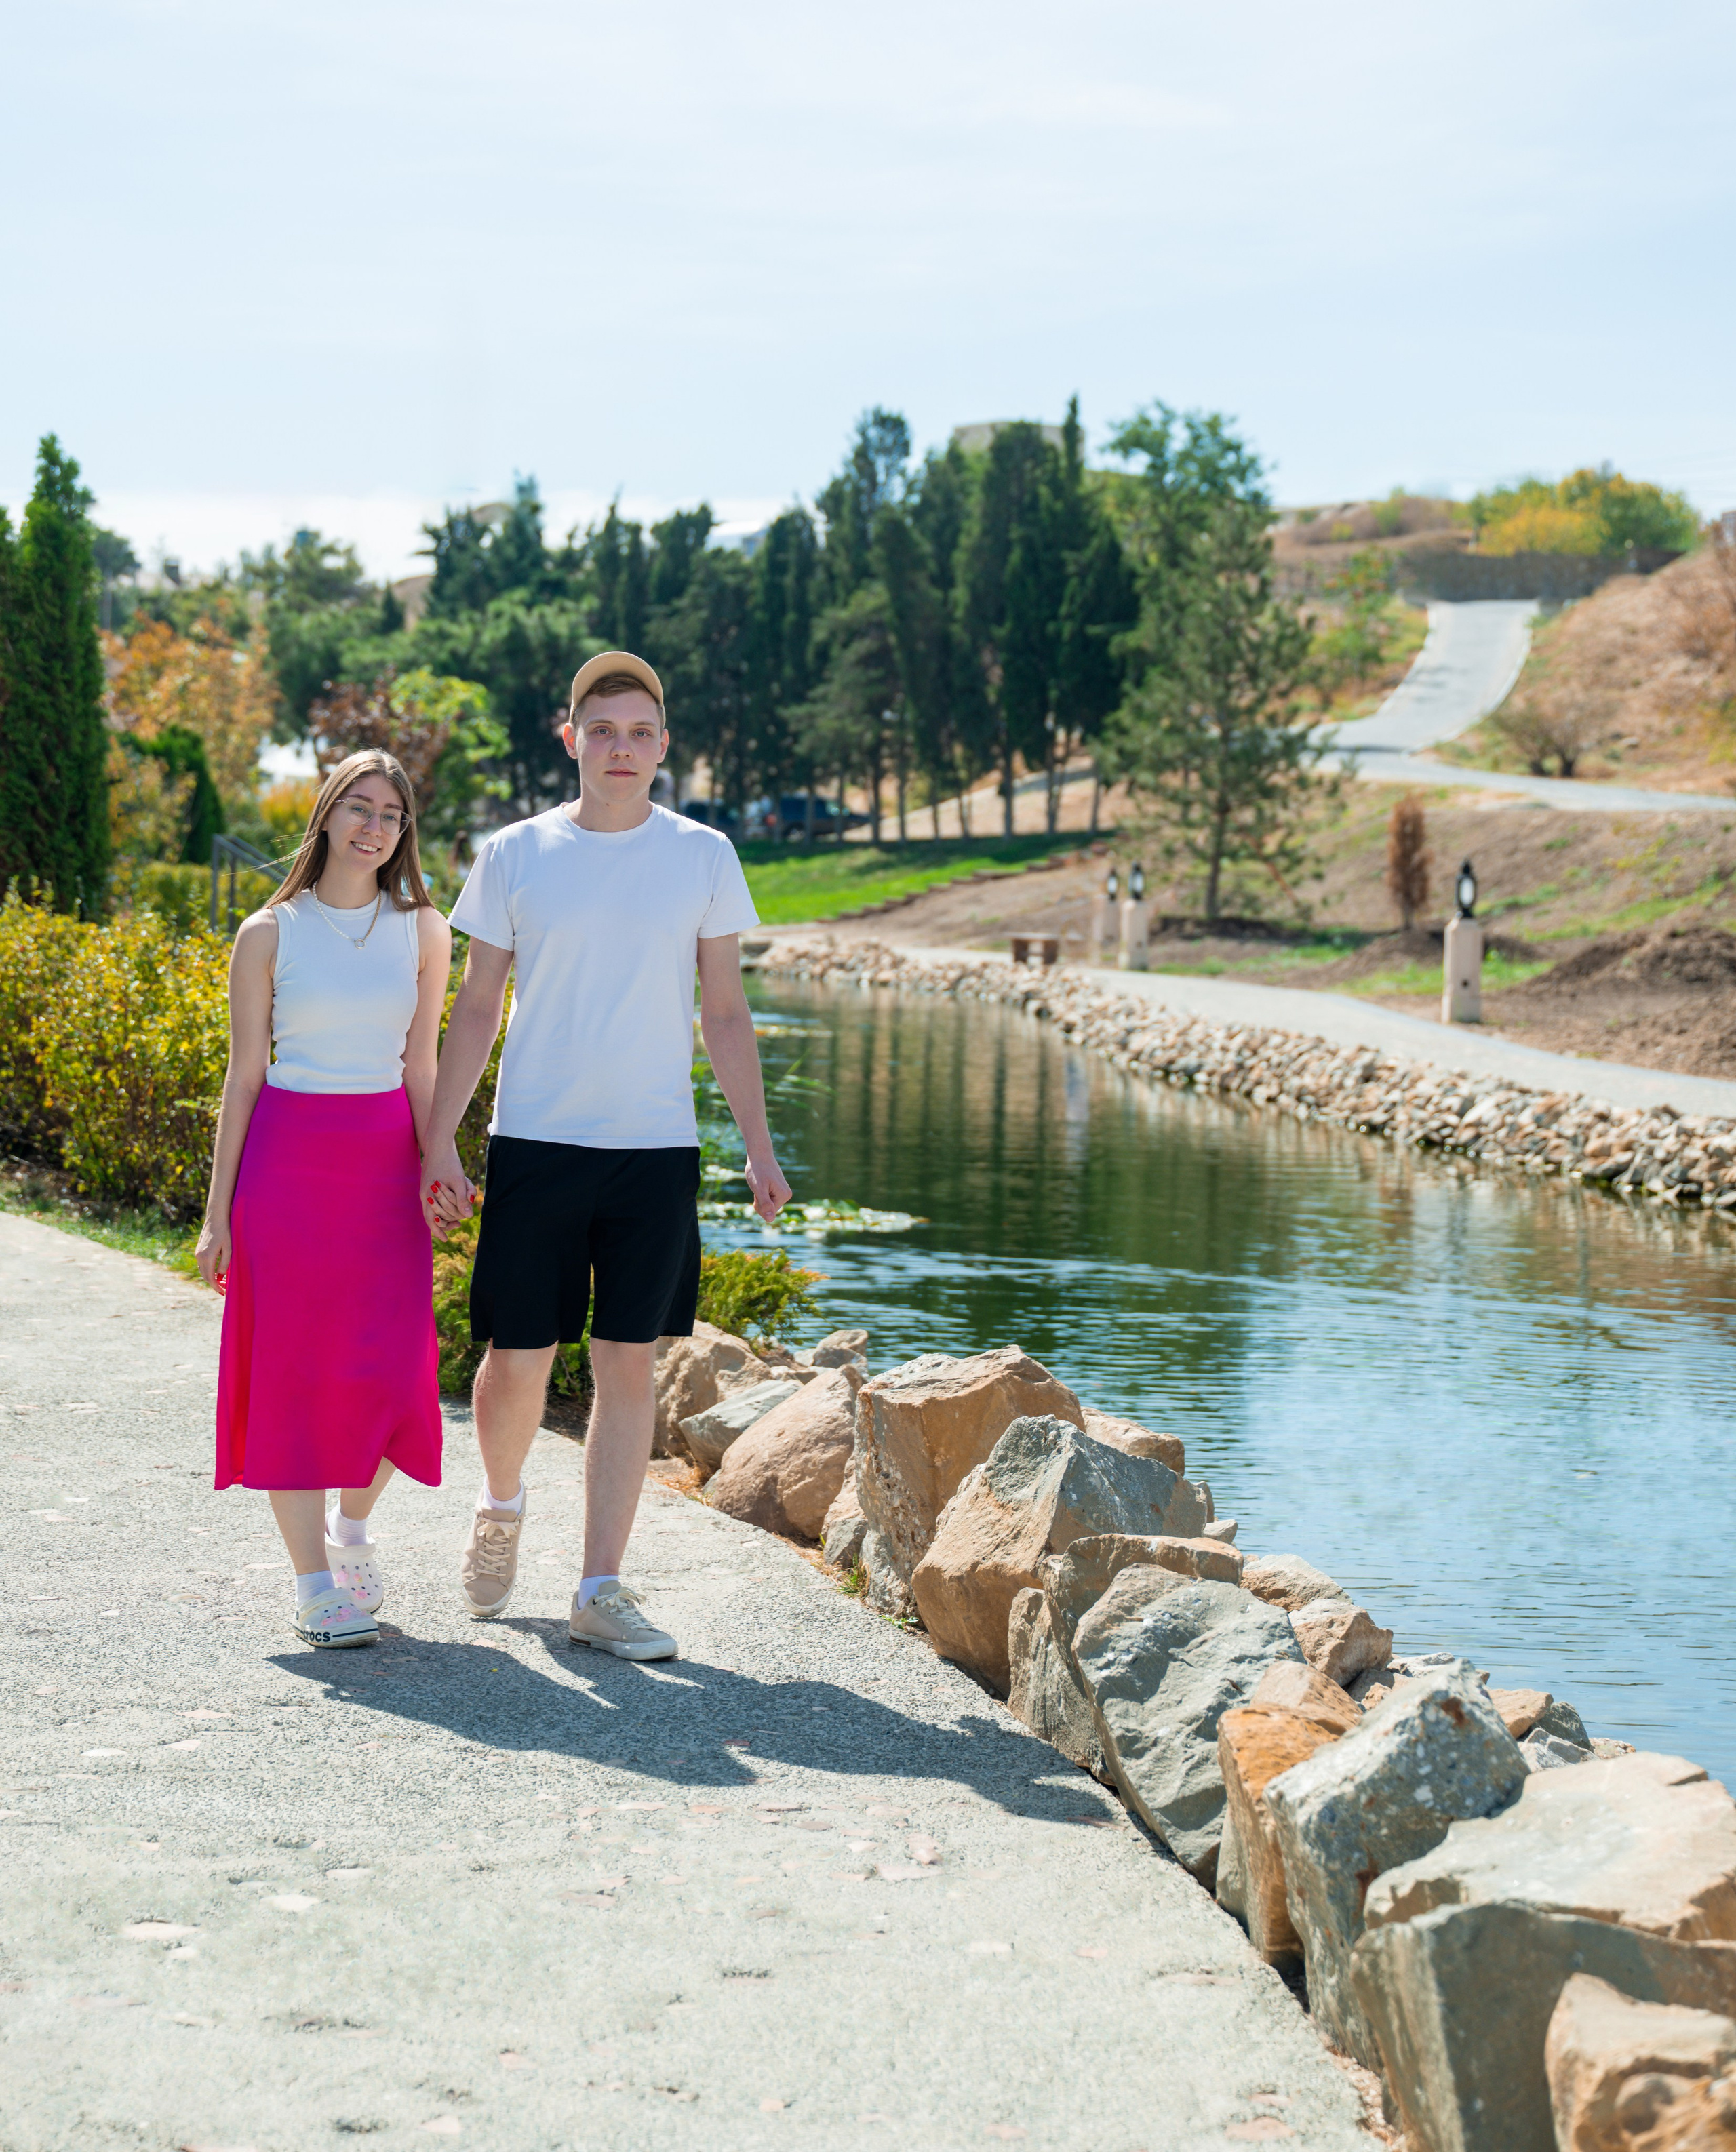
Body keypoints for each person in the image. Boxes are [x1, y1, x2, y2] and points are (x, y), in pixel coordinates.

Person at [420, 650, 789, 1661]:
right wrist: (440, 1138)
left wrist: (758, 1147)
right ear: (570, 738)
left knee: (630, 1364)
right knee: (516, 1358)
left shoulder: (704, 855)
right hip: (536, 1141)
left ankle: (599, 1588)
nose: (620, 748)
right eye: (602, 730)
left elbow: (725, 1011)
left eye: (639, 733)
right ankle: (501, 1506)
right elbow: (478, 1006)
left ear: (664, 746)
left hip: (654, 1150)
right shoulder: (515, 853)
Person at [198, 751, 453, 1648]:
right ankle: (314, 1586)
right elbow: (244, 1077)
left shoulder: (424, 930)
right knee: (294, 1375)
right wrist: (217, 1213)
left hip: (385, 1167)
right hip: (287, 1169)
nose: (374, 826)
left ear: (403, 831)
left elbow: (422, 1064)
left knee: (398, 1371)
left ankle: (350, 1529)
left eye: (391, 813)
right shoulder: (268, 932)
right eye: (359, 806)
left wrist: (440, 1161)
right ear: (327, 814)